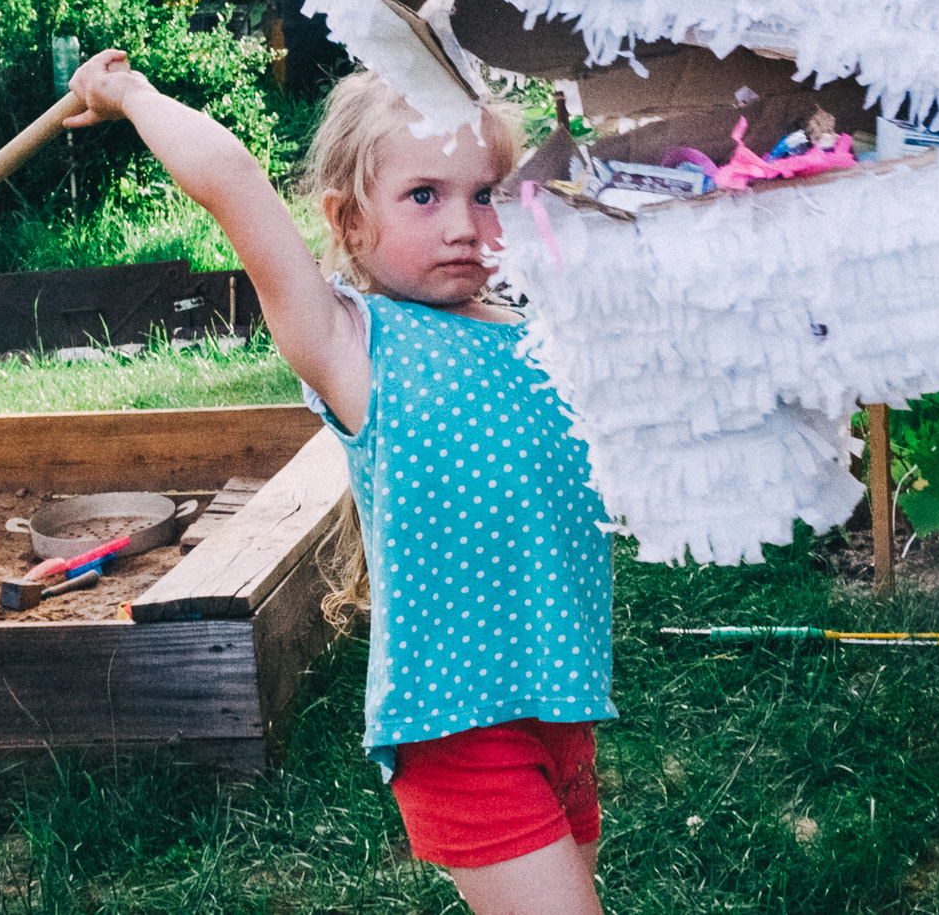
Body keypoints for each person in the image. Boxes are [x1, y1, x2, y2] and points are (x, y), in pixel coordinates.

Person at [64, 54, 612, 915]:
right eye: (423, 195)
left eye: (486, 192)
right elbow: (234, 182)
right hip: (461, 723)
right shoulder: (356, 344)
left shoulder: (544, 332)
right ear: (350, 222)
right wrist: (129, 93)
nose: (465, 223)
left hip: (558, 698)